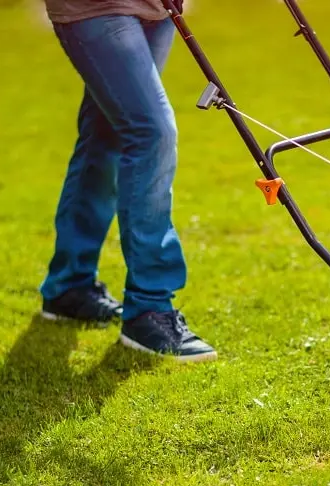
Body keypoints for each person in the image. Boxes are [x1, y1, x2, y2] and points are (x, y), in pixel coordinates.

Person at [38, 0, 217, 362]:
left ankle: (69, 286)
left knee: (106, 135)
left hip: (156, 8)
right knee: (152, 133)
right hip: (96, 7)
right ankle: (148, 307)